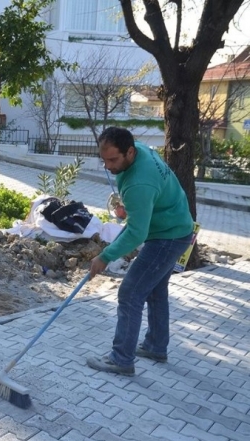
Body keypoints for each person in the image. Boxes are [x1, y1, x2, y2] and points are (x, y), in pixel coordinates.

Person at [86, 127, 194, 376]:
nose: (107, 166)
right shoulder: (142, 152)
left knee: (130, 292)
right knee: (155, 290)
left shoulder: (139, 184)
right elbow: (138, 217)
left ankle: (121, 359)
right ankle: (156, 346)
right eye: (104, 159)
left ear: (130, 152)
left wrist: (104, 257)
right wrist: (133, 209)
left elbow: (137, 233)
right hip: (176, 227)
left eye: (113, 160)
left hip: (167, 236)